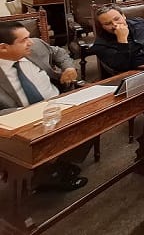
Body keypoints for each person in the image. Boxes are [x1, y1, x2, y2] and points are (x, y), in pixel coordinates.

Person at [0, 21, 88, 191]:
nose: (31, 42)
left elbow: (59, 52)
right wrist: (27, 113)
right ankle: (46, 174)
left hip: (60, 102)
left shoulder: (36, 46)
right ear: (3, 48)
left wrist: (68, 68)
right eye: (23, 40)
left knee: (93, 117)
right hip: (22, 120)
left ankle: (58, 164)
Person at [91, 4, 144, 75]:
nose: (115, 25)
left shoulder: (139, 22)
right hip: (135, 75)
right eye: (107, 23)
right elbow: (121, 67)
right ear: (102, 27)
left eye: (117, 19)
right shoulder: (100, 46)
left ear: (123, 16)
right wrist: (122, 40)